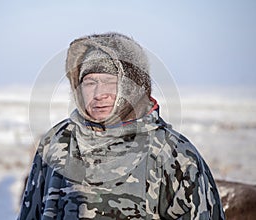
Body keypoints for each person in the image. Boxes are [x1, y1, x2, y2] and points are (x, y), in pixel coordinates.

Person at [18, 32, 225, 219]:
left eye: (111, 81)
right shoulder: (57, 141)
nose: (99, 94)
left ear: (133, 86)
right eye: (90, 83)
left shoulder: (174, 153)